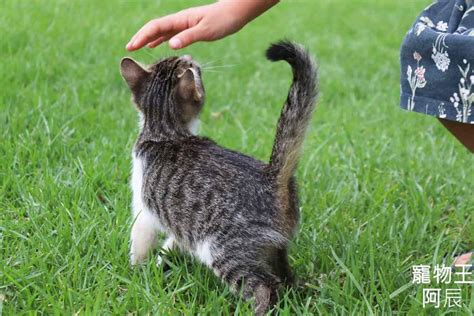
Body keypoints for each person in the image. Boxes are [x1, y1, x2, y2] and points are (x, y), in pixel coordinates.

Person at [126, 0, 472, 268]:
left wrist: (139, 265)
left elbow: (148, 219)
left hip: (245, 222)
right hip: (270, 209)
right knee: (433, 63)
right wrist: (234, 8)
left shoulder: (154, 159)